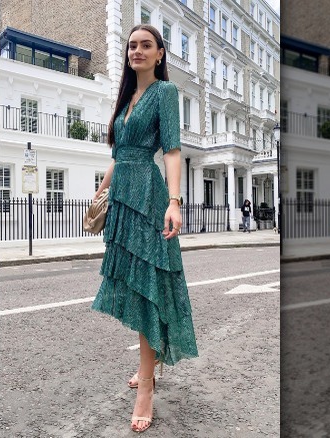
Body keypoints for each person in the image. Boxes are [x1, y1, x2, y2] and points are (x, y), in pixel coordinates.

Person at [91, 23, 198, 433]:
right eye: (132, 45)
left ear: (160, 54)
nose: (136, 50)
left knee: (149, 287)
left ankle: (147, 386)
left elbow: (172, 150)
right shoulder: (126, 100)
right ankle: (147, 364)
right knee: (137, 287)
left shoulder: (164, 93)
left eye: (145, 45)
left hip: (149, 198)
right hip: (122, 201)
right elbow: (120, 155)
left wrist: (174, 202)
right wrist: (100, 194)